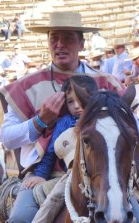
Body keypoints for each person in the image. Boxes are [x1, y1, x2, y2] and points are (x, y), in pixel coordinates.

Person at [0, 11, 124, 223]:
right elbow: (7, 138)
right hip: (42, 178)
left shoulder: (107, 83)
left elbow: (132, 129)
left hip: (102, 179)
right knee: (20, 219)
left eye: (68, 39)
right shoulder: (27, 85)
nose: (59, 45)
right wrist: (39, 122)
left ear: (82, 44)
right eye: (54, 39)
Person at [31, 75, 98, 222]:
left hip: (101, 173)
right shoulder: (64, 123)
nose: (76, 106)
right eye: (70, 101)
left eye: (81, 99)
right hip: (71, 175)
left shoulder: (100, 120)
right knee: (54, 198)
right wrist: (41, 175)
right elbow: (50, 153)